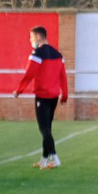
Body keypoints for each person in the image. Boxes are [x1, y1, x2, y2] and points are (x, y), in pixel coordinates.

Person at [13, 26, 68, 170]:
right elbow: (63, 77)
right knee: (48, 128)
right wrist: (65, 94)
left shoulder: (37, 53)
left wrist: (19, 90)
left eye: (31, 37)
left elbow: (29, 74)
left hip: (42, 96)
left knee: (44, 129)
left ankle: (55, 157)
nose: (30, 40)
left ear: (38, 36)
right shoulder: (58, 54)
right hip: (54, 96)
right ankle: (44, 160)